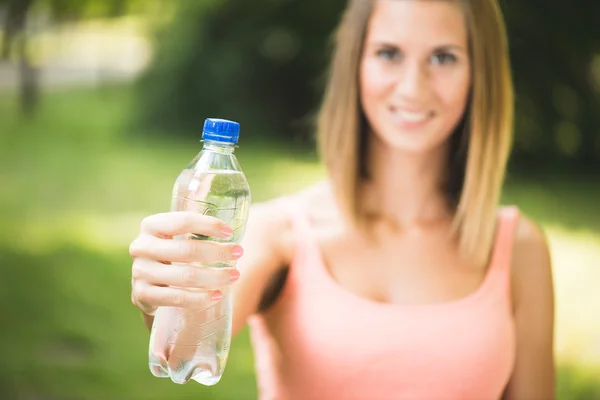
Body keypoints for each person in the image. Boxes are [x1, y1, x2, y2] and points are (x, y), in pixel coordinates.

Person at [128, 0, 555, 398]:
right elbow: (187, 343)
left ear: (481, 73)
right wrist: (166, 297)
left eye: (443, 57)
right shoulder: (280, 234)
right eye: (389, 53)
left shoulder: (519, 249)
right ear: (355, 65)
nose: (413, 87)